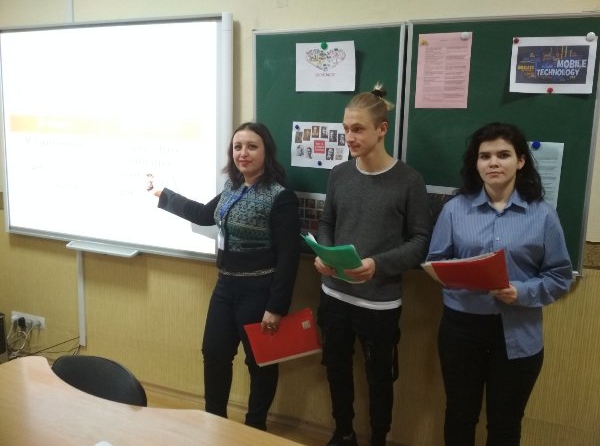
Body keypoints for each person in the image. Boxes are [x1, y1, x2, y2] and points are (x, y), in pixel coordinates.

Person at [426, 122, 573, 446]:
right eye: (485, 156)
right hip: (461, 329)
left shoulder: (543, 215)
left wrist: (522, 292)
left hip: (518, 331)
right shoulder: (454, 210)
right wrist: (462, 274)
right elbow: (437, 261)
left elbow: (560, 276)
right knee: (460, 416)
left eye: (503, 155)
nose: (493, 162)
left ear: (520, 161)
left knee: (505, 425)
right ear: (476, 163)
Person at [147, 122, 301, 431]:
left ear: (267, 151)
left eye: (252, 146)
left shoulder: (280, 196)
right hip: (226, 286)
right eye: (238, 147)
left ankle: (255, 428)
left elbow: (289, 255)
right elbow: (204, 215)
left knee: (260, 361)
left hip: (260, 290)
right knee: (214, 354)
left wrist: (276, 306)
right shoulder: (233, 187)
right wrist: (164, 194)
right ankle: (215, 421)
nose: (243, 153)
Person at [314, 84, 432, 446]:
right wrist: (325, 252)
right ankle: (343, 433)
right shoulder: (339, 174)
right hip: (335, 295)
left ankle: (378, 438)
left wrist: (377, 265)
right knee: (336, 369)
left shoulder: (409, 181)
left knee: (380, 377)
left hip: (379, 302)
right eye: (346, 129)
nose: (349, 137)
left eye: (358, 129)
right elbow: (327, 222)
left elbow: (420, 243)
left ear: (382, 129)